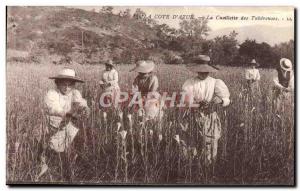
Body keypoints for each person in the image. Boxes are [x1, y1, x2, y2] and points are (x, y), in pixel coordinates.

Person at [38, 68, 90, 181]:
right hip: (52, 125)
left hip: (68, 125)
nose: (67, 88)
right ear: (57, 83)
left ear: (73, 85)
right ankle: (46, 166)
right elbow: (53, 108)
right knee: (49, 148)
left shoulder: (75, 93)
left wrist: (83, 108)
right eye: (63, 84)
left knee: (66, 147)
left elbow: (80, 102)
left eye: (70, 85)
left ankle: (65, 167)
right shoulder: (52, 93)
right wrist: (67, 113)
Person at [182, 55, 230, 165]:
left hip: (210, 115)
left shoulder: (215, 82)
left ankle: (208, 166)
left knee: (210, 140)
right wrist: (196, 104)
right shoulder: (190, 83)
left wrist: (220, 101)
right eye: (200, 72)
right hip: (194, 114)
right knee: (193, 140)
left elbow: (226, 99)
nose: (203, 74)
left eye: (205, 72)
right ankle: (192, 165)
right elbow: (186, 100)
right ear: (196, 71)